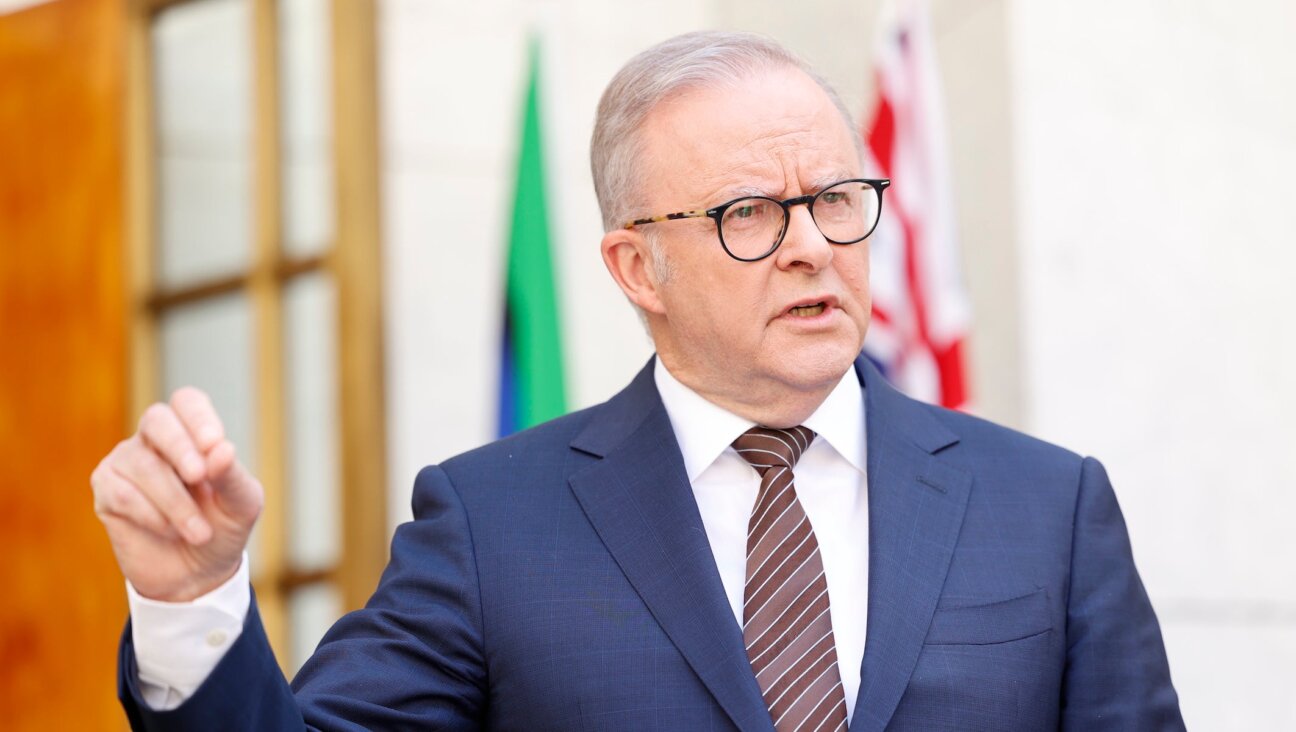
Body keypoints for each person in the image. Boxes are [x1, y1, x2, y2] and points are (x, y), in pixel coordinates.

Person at [93, 31, 1184, 731]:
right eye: (749, 213)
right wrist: (190, 606)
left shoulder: (1047, 507)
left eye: (837, 198)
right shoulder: (492, 523)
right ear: (636, 267)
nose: (811, 245)